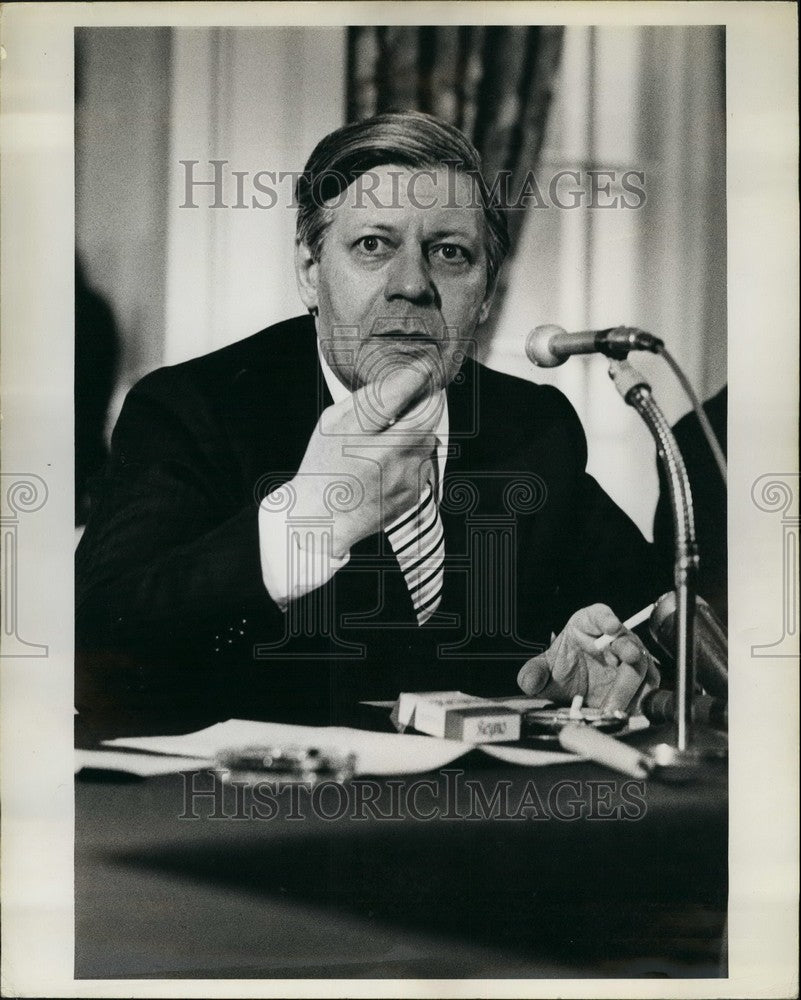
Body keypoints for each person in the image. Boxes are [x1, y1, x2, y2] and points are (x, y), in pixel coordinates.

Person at [75, 111, 659, 737]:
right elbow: (102, 629)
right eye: (373, 246)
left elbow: (654, 609)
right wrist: (310, 522)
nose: (412, 284)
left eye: (450, 253)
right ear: (310, 270)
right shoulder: (193, 409)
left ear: (487, 292)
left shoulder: (532, 428)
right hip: (257, 820)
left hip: (483, 822)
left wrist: (615, 658)